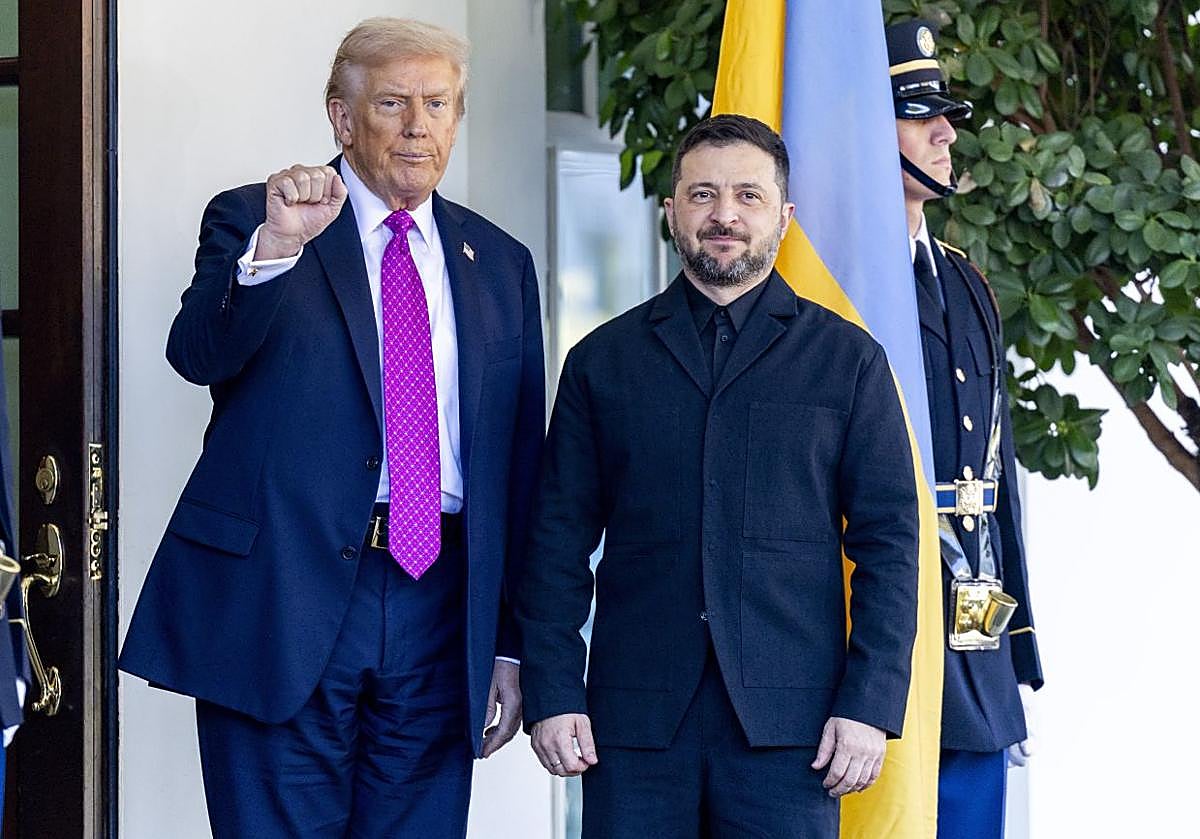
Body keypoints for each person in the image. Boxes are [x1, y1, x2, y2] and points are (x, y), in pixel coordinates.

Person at [119, 17, 545, 838]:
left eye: (438, 103)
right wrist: (277, 247)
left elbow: (520, 463)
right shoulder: (257, 217)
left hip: (441, 602)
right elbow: (198, 353)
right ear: (341, 120)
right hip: (285, 595)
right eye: (392, 103)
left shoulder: (499, 261)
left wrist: (512, 643)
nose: (419, 125)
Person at [517, 114, 920, 839]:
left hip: (794, 731)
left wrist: (870, 702)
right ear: (671, 210)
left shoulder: (849, 361)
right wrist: (551, 688)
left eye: (748, 196)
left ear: (784, 215)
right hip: (631, 729)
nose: (724, 215)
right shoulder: (601, 362)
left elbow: (890, 544)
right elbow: (555, 542)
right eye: (702, 195)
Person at [885, 19, 1044, 839]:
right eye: (919, 112)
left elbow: (997, 483)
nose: (946, 131)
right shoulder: (840, 283)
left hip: (971, 631)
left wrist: (1013, 652)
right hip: (871, 631)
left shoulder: (966, 283)